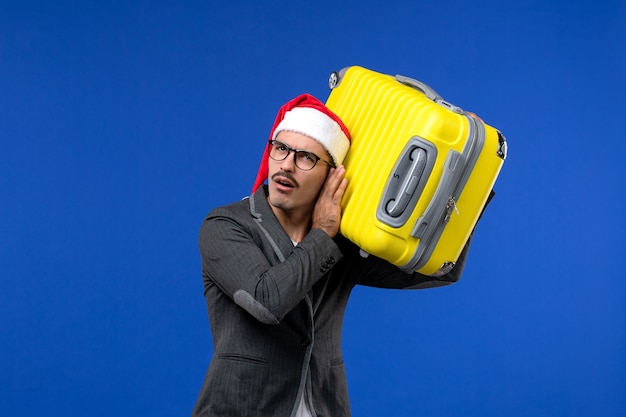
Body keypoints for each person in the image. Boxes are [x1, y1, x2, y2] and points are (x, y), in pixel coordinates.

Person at [192, 93, 471, 417]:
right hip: (242, 407)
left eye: (306, 157)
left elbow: (439, 271)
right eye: (280, 148)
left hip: (324, 405)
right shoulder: (226, 225)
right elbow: (266, 301)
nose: (286, 164)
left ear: (332, 175)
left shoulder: (345, 240)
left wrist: (467, 181)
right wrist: (323, 234)